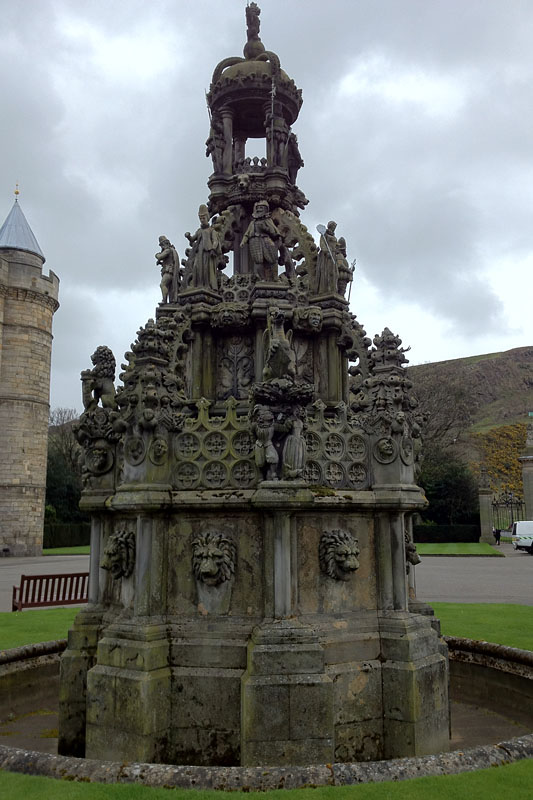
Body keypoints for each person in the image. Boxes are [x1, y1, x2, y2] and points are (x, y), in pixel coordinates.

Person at [185, 205, 221, 291]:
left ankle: (207, 285)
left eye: (203, 218)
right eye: (200, 219)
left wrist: (213, 248)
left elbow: (215, 241)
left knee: (206, 269)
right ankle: (197, 284)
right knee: (196, 267)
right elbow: (193, 238)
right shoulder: (199, 231)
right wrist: (188, 236)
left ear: (207, 218)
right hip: (199, 252)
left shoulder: (211, 230)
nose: (202, 220)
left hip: (207, 252)